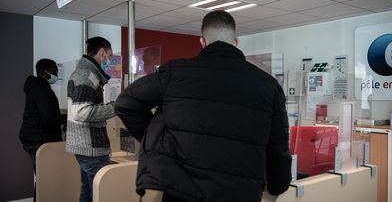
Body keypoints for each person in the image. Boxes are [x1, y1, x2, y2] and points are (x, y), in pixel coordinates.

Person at [115, 10, 292, 202]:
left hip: (182, 192)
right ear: (236, 42)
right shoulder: (268, 86)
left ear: (202, 41)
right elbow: (278, 148)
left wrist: (158, 142)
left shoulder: (176, 73)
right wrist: (276, 187)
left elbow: (125, 103)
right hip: (239, 193)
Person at [66, 36, 116, 202]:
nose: (110, 60)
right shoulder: (87, 75)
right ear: (101, 53)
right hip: (90, 147)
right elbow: (80, 112)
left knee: (87, 192)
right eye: (109, 56)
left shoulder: (84, 72)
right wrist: (114, 107)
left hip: (84, 145)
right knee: (101, 194)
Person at [20, 58, 66, 202]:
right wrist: (69, 117)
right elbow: (49, 118)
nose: (56, 76)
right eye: (54, 72)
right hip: (39, 139)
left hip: (32, 137)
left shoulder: (36, 87)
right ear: (43, 72)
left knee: (43, 177)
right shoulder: (42, 89)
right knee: (45, 179)